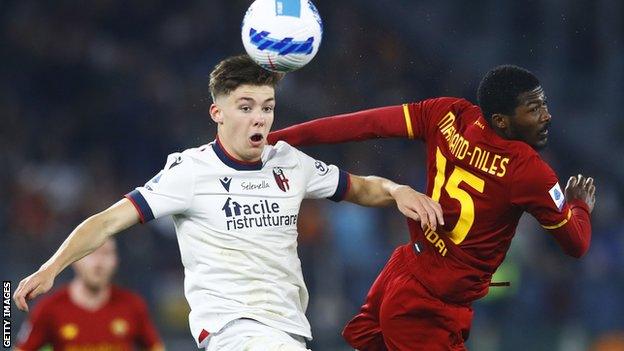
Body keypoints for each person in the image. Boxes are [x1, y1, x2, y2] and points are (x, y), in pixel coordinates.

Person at [13, 54, 443, 351]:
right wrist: (52, 267)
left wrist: (397, 191)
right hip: (232, 331)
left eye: (268, 107)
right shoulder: (189, 173)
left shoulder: (289, 162)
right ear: (217, 113)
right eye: (246, 106)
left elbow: (360, 187)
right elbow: (107, 221)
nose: (260, 118)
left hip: (289, 328)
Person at [267, 65, 596, 350]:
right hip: (429, 310)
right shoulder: (529, 171)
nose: (546, 116)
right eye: (534, 109)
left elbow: (365, 124)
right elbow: (576, 243)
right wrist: (579, 204)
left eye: (544, 105)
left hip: (401, 275)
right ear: (502, 121)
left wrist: (277, 138)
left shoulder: (446, 114)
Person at [15, 238, 164, 351]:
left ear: (116, 261)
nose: (98, 263)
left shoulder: (133, 305)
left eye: (106, 253)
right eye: (90, 253)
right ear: (74, 259)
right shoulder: (49, 307)